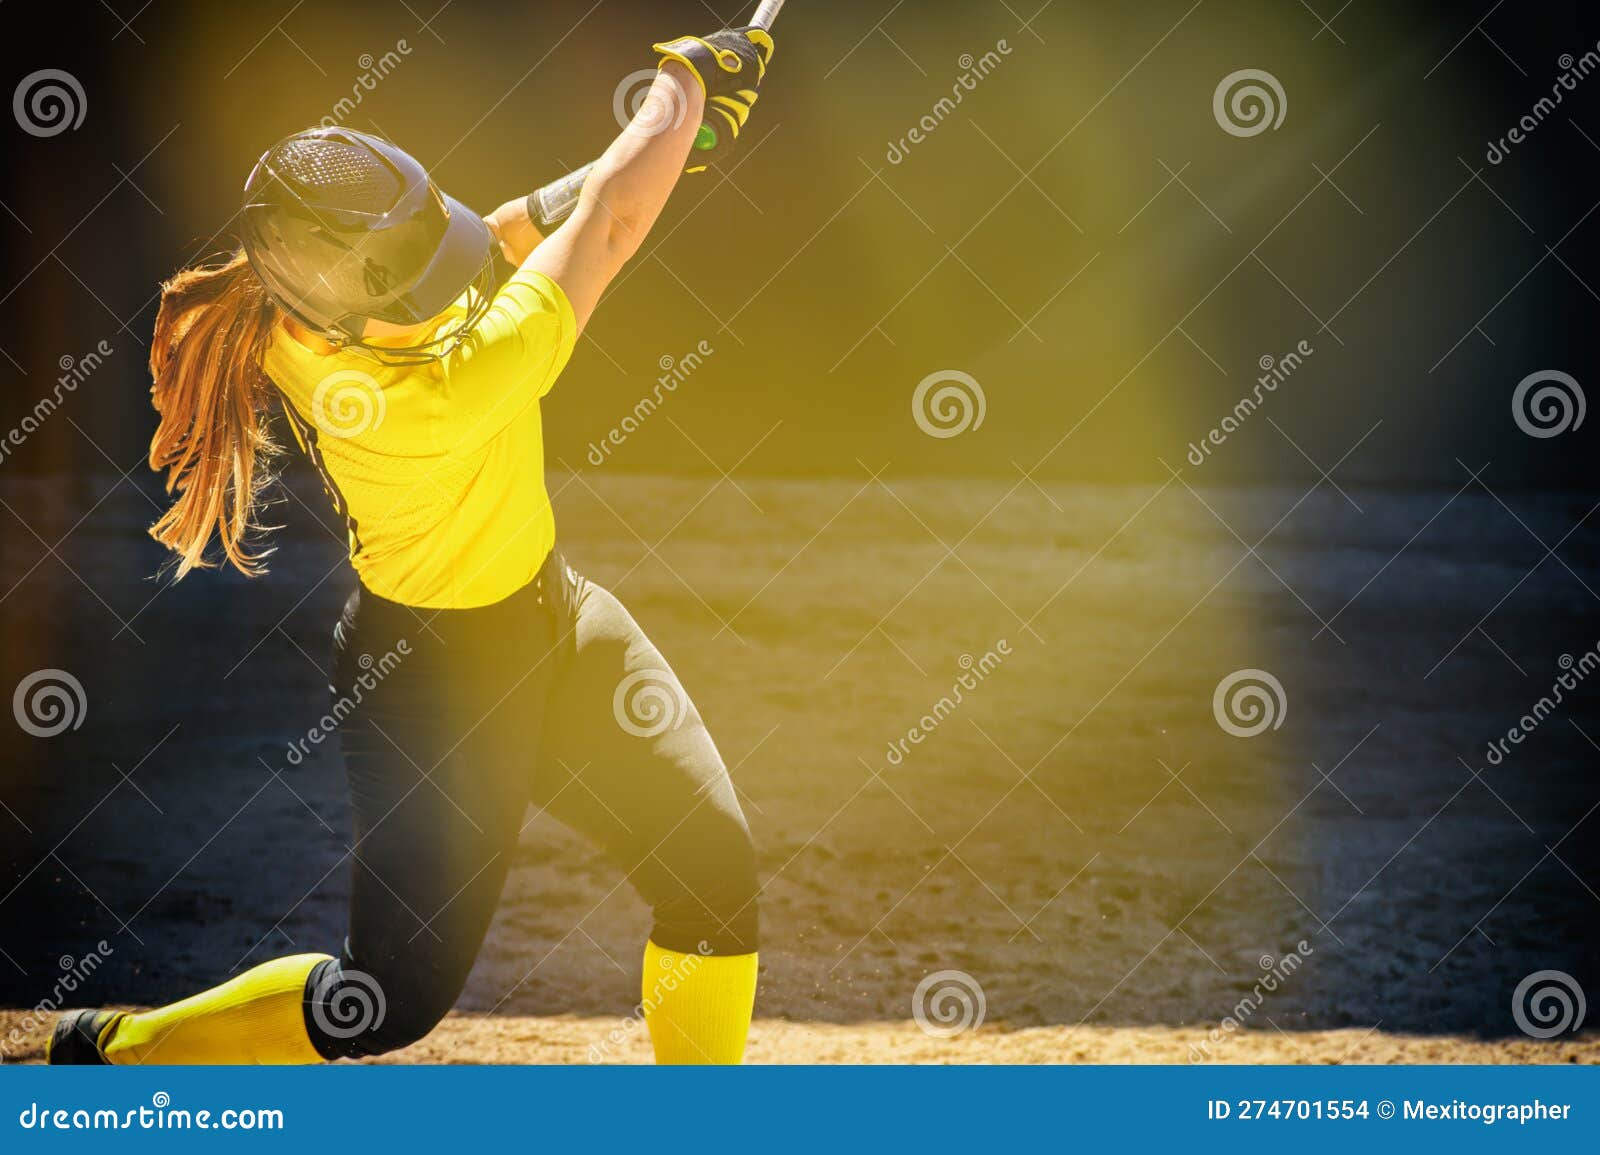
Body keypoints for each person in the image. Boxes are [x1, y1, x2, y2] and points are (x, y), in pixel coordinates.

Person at [47, 25, 775, 1066]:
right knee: (387, 1000)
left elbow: (508, 232)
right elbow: (608, 223)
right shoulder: (429, 395)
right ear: (345, 301)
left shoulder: (315, 304)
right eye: (415, 284)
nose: (446, 291)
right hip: (433, 688)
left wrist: (669, 144)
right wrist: (682, 87)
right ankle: (111, 1046)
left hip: (550, 620)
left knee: (709, 869)